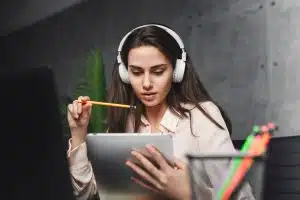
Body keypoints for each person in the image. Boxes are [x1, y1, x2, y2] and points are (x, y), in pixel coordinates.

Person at [66, 24, 255, 200]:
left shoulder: (201, 116)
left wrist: (190, 192)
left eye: (158, 71)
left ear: (176, 71)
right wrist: (78, 133)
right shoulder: (124, 121)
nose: (146, 84)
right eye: (137, 72)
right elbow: (85, 193)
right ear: (125, 74)